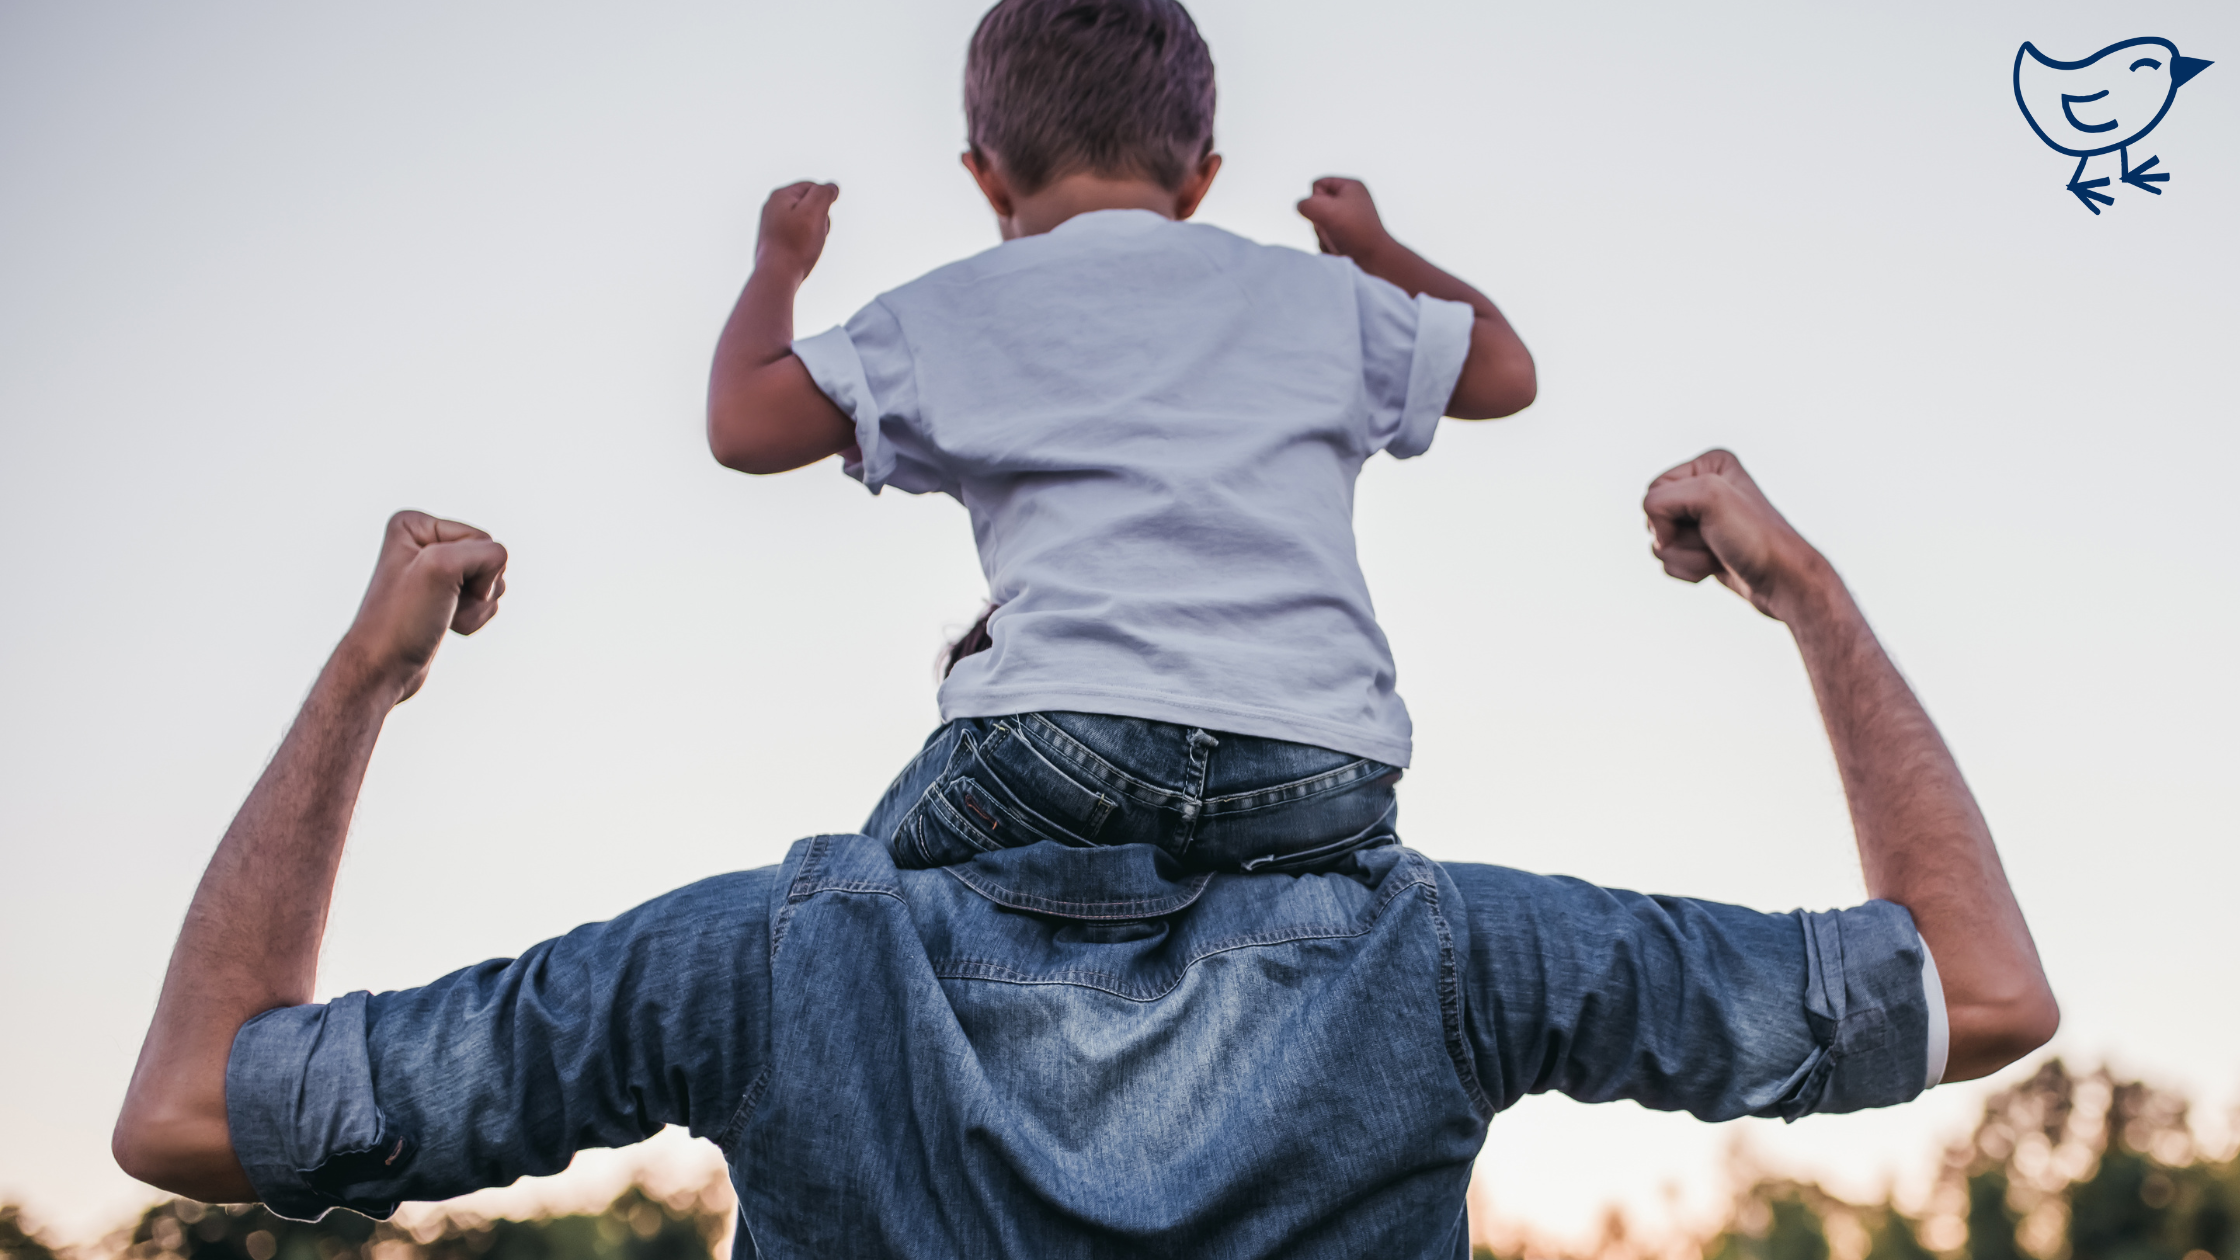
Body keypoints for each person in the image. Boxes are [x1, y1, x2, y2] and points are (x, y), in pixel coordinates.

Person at [113, 451, 2056, 1258]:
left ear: (975, 688)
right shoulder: (1446, 961)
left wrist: (366, 683)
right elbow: (1978, 991)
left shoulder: (772, 963)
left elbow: (196, 1111)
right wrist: (1804, 595)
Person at [705, 0, 1539, 875]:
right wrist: (1373, 248)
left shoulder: (956, 307)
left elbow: (743, 424)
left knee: (849, 909)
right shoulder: (1318, 296)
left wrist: (780, 261)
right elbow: (1505, 373)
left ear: (987, 179)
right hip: (1324, 766)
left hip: (1067, 744)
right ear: (1200, 180)